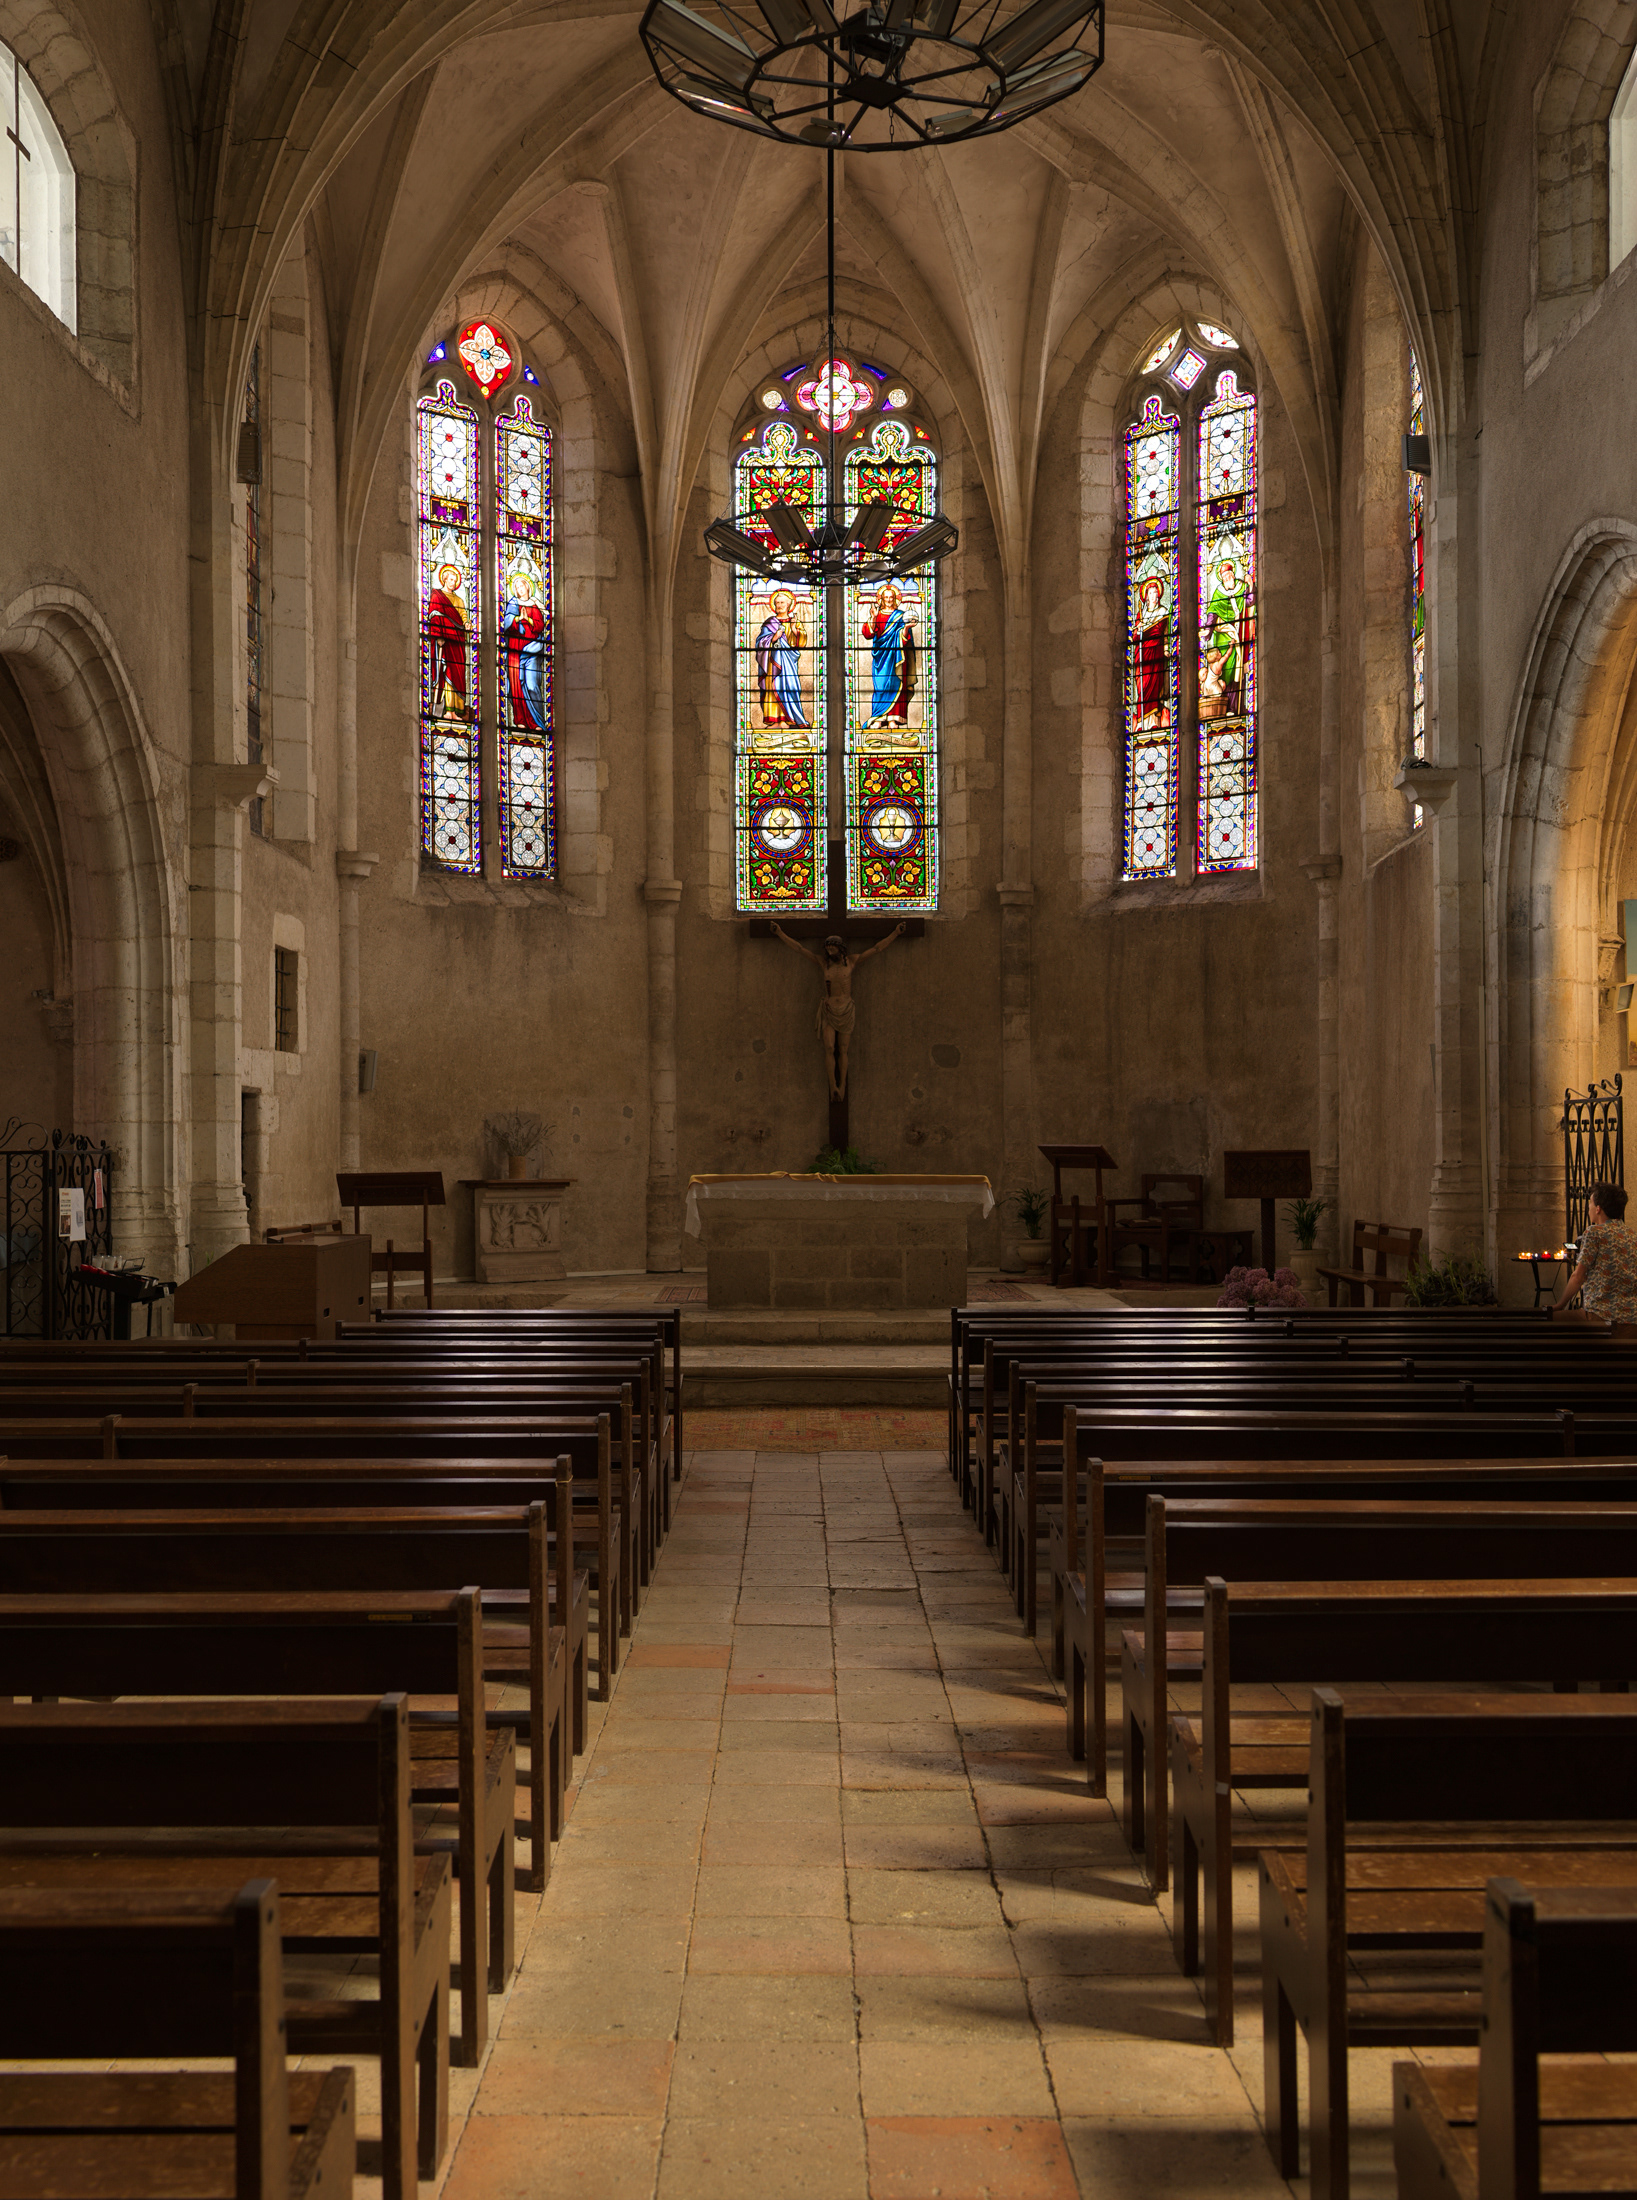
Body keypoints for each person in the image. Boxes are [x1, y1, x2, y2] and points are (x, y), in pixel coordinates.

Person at [771, 921, 907, 1101]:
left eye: (832, 947)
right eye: (827, 947)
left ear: (840, 947)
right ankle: (832, 1085)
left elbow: (876, 949)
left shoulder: (851, 961)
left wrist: (896, 933)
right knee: (829, 1047)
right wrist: (780, 933)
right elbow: (799, 949)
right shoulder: (823, 963)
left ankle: (842, 1085)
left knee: (843, 1049)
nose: (829, 950)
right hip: (829, 1010)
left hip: (846, 1009)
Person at [1553, 1181, 1637, 1326]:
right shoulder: (1632, 1235)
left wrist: (1559, 1305)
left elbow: (1578, 1277)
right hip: (1632, 1319)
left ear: (1598, 1209)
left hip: (1600, 1315)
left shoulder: (1595, 1233)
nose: (1588, 1208)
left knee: (1550, 1320)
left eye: (1590, 1203)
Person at [755, 588, 809, 730]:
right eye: (777, 603)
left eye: (782, 603)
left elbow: (801, 643)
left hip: (788, 663)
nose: (779, 605)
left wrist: (794, 629)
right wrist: (774, 637)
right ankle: (775, 721)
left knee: (789, 688)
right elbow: (760, 642)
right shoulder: (769, 623)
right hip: (771, 664)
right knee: (773, 689)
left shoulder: (795, 622)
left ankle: (788, 719)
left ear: (789, 604)